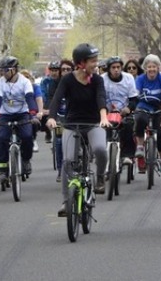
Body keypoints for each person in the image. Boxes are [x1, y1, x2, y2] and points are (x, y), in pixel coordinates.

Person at [46, 43, 110, 216]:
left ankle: (101, 177)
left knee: (100, 150)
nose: (96, 64)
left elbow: (101, 98)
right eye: (92, 61)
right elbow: (57, 99)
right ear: (81, 63)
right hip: (72, 125)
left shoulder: (97, 80)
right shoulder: (67, 80)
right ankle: (67, 203)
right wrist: (51, 117)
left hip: (94, 123)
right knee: (67, 162)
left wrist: (104, 117)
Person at [0, 56, 38, 182]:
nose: (3, 73)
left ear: (14, 70)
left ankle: (26, 160)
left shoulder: (25, 82)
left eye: (6, 70)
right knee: (2, 139)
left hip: (22, 113)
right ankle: (3, 170)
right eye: (2, 70)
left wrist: (33, 114)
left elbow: (29, 98)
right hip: (4, 114)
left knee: (27, 136)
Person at [133, 54, 161, 173]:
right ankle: (139, 146)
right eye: (149, 67)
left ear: (158, 67)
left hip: (159, 107)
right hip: (144, 106)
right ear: (145, 68)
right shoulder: (141, 79)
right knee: (140, 119)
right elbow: (136, 92)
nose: (152, 69)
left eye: (154, 67)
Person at [101, 56, 139, 166]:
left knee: (129, 125)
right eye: (113, 67)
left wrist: (128, 108)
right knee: (103, 129)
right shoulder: (102, 79)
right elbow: (99, 97)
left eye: (118, 67)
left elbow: (134, 99)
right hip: (107, 112)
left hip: (124, 112)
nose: (116, 70)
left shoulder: (128, 78)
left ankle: (126, 155)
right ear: (108, 69)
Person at [19, 69, 44, 152]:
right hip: (18, 112)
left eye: (27, 77)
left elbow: (39, 99)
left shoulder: (35, 87)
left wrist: (40, 112)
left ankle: (33, 140)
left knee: (34, 122)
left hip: (31, 112)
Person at [39, 61, 62, 144]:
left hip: (61, 101)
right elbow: (43, 94)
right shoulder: (45, 81)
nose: (54, 73)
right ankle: (48, 133)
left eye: (56, 71)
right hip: (49, 100)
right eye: (52, 71)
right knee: (43, 115)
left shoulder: (62, 79)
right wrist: (44, 108)